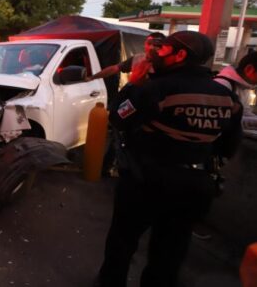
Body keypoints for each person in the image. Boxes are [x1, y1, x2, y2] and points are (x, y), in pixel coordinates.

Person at [96, 31, 243, 287]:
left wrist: (134, 82)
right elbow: (228, 146)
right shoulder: (227, 97)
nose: (155, 53)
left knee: (123, 241)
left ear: (180, 55)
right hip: (195, 186)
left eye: (163, 49)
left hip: (147, 181)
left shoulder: (157, 89)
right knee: (170, 251)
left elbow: (119, 117)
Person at [87, 32, 166, 85]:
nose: (151, 47)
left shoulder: (167, 61)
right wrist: (93, 77)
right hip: (136, 96)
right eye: (149, 43)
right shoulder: (138, 58)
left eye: (156, 44)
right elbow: (114, 68)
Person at [214, 51, 257, 138]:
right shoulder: (223, 85)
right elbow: (221, 120)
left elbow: (245, 112)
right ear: (249, 69)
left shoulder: (246, 86)